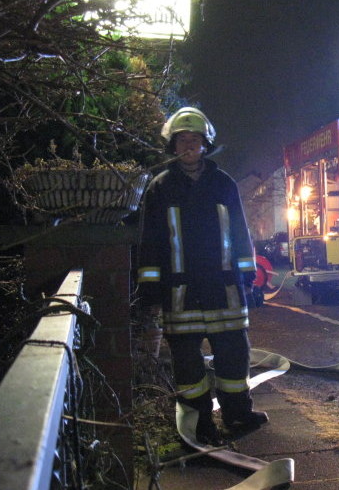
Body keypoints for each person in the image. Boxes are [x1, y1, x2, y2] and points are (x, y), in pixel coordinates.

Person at [136, 107, 268, 446]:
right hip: (181, 292)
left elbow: (240, 231)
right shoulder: (160, 188)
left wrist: (248, 275)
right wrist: (149, 287)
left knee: (234, 356)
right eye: (182, 139)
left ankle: (238, 414)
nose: (189, 145)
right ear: (173, 145)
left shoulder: (223, 184)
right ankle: (198, 424)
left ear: (205, 144)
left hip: (224, 288)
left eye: (194, 139)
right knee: (187, 365)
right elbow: (149, 241)